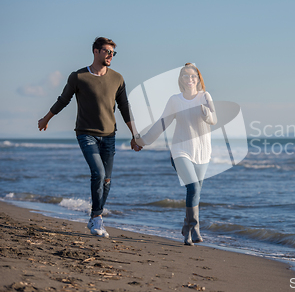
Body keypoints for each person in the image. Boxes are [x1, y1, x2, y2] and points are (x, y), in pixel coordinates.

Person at [38, 37, 140, 238]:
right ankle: (97, 218)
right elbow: (63, 100)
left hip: (109, 135)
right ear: (95, 51)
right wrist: (46, 118)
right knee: (99, 174)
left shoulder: (117, 78)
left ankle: (95, 216)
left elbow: (124, 107)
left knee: (107, 180)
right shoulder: (79, 77)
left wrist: (134, 135)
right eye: (107, 51)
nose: (110, 55)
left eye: (113, 52)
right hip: (86, 134)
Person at [132, 63, 217, 245]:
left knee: (195, 192)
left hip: (202, 151)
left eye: (193, 76)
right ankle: (194, 228)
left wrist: (205, 114)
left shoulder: (205, 96)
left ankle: (186, 229)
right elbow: (162, 124)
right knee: (193, 188)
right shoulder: (175, 101)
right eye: (185, 76)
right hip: (180, 151)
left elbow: (214, 119)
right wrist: (142, 141)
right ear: (181, 79)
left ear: (198, 78)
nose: (189, 79)